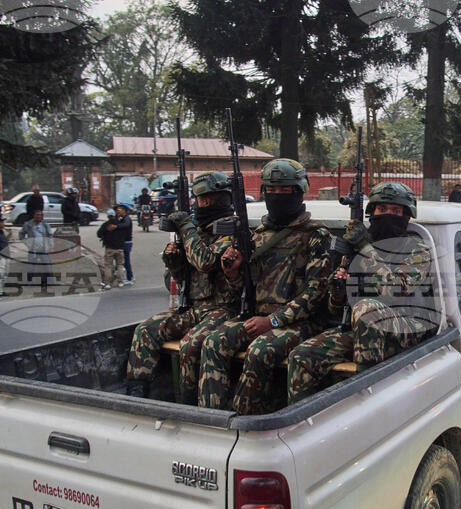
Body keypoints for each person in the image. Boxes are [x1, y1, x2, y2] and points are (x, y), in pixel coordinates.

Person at [198, 158, 333, 413]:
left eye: (285, 191)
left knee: (260, 350)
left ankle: (243, 418)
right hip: (258, 317)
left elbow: (315, 294)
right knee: (213, 341)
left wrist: (272, 321)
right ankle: (210, 414)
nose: (277, 196)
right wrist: (233, 273)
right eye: (271, 191)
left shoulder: (316, 236)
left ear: (299, 192)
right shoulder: (259, 235)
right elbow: (245, 289)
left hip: (301, 322)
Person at [287, 183, 433, 402]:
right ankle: (301, 423)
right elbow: (335, 308)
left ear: (407, 216)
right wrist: (337, 291)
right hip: (363, 329)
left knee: (367, 309)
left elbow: (396, 290)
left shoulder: (416, 248)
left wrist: (365, 249)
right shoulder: (357, 245)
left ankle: (366, 404)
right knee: (301, 356)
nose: (388, 215)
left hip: (406, 325)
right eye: (382, 209)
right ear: (372, 212)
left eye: (395, 211)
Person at [124, 171, 244, 403]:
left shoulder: (231, 230)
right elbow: (184, 278)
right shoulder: (195, 233)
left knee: (191, 345)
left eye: (208, 199)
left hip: (224, 309)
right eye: (200, 200)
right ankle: (137, 393)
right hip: (195, 308)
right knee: (145, 329)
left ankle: (188, 402)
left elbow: (205, 262)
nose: (203, 204)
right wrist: (174, 261)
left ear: (223, 199)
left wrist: (186, 227)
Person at [19, 209, 54, 289]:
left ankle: (50, 282)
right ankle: (29, 283)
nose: (39, 216)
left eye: (40, 215)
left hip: (44, 249)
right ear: (34, 216)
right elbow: (21, 234)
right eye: (37, 215)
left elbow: (50, 235)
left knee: (47, 267)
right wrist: (27, 242)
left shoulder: (45, 225)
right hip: (33, 249)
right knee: (31, 267)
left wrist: (51, 246)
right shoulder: (28, 225)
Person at [96, 208, 130, 289]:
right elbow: (125, 235)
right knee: (120, 265)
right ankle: (121, 282)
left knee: (108, 266)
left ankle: (107, 283)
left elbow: (99, 234)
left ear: (107, 216)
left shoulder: (106, 225)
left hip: (109, 248)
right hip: (120, 248)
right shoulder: (119, 224)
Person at [118, 204, 135, 286]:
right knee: (124, 261)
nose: (118, 211)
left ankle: (130, 278)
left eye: (119, 210)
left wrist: (116, 226)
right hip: (124, 242)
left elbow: (125, 225)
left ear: (124, 211)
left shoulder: (127, 219)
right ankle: (130, 276)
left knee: (126, 261)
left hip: (127, 242)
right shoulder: (122, 219)